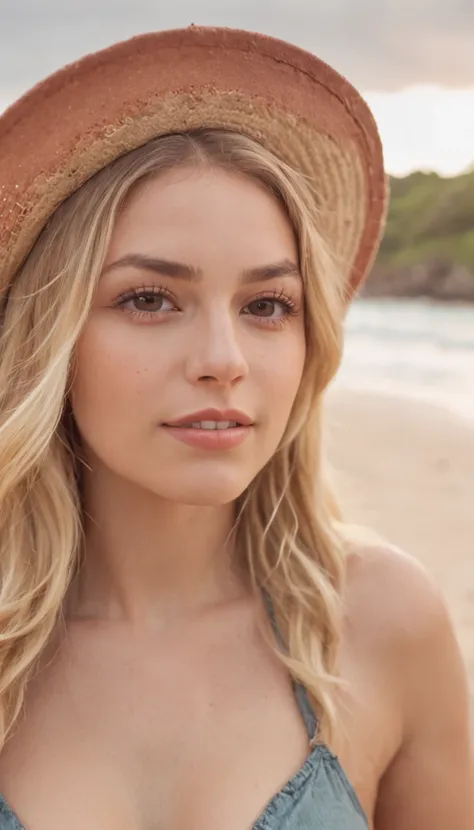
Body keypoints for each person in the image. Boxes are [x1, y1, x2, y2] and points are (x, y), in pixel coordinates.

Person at [0, 25, 472, 830]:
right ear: (51, 335)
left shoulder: (382, 625)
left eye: (266, 306)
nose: (224, 360)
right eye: (150, 299)